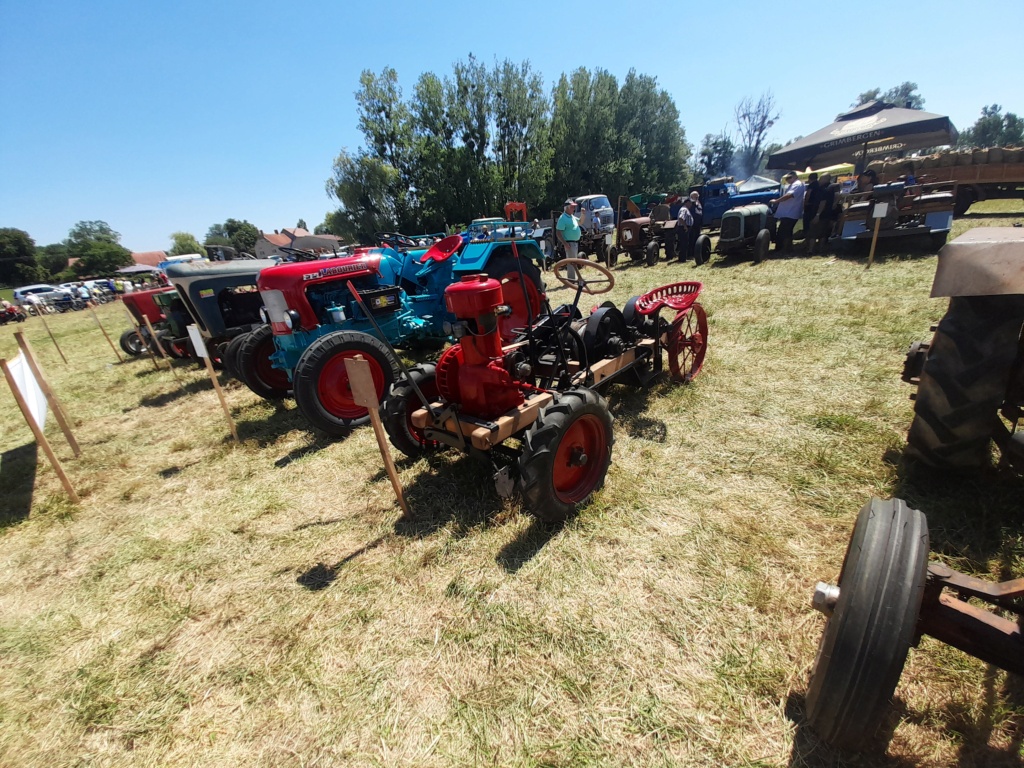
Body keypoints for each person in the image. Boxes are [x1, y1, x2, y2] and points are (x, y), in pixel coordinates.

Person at [770, 171, 805, 255]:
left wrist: (776, 201)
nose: (788, 180)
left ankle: (783, 249)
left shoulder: (797, 184)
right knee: (787, 231)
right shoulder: (796, 184)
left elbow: (789, 195)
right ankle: (788, 248)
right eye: (787, 179)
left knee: (784, 232)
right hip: (789, 212)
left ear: (794, 177)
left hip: (790, 212)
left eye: (789, 178)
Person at [806, 173, 836, 255]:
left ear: (826, 179)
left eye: (821, 178)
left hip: (820, 215)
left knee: (813, 232)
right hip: (827, 214)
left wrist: (817, 215)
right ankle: (820, 249)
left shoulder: (824, 189)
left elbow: (823, 202)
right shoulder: (832, 188)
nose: (819, 180)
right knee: (823, 233)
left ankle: (810, 250)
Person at [802, 173, 821, 249]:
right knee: (813, 226)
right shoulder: (819, 185)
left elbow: (808, 194)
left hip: (809, 207)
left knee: (807, 227)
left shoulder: (811, 185)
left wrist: (805, 203)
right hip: (816, 207)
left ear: (809, 178)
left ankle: (807, 243)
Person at [675, 198, 693, 263]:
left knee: (684, 243)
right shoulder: (684, 209)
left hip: (684, 227)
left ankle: (683, 258)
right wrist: (685, 226)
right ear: (687, 203)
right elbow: (681, 218)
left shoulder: (685, 209)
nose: (691, 204)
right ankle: (682, 259)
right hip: (683, 228)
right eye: (690, 203)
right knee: (683, 243)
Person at [688, 191, 703, 261]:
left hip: (698, 224)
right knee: (691, 239)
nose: (697, 197)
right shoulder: (690, 204)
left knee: (697, 238)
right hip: (692, 225)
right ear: (691, 197)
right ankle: (690, 254)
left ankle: (696, 252)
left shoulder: (698, 203)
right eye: (695, 196)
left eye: (697, 196)